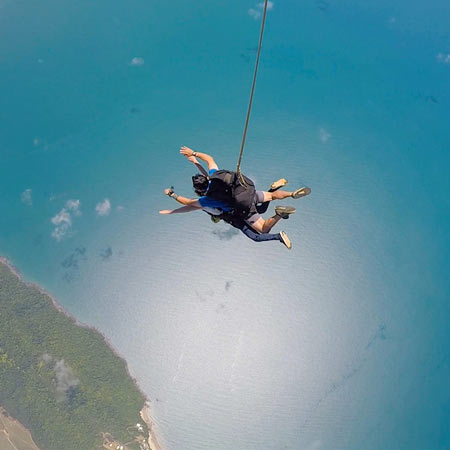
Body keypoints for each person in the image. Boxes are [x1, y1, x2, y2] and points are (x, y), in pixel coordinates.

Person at [159, 147, 311, 249]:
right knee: (270, 196)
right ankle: (290, 194)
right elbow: (210, 159)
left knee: (263, 231)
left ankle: (279, 216)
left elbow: (188, 203)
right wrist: (194, 155)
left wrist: (172, 197)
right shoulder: (214, 177)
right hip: (247, 192)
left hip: (242, 208)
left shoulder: (206, 201)